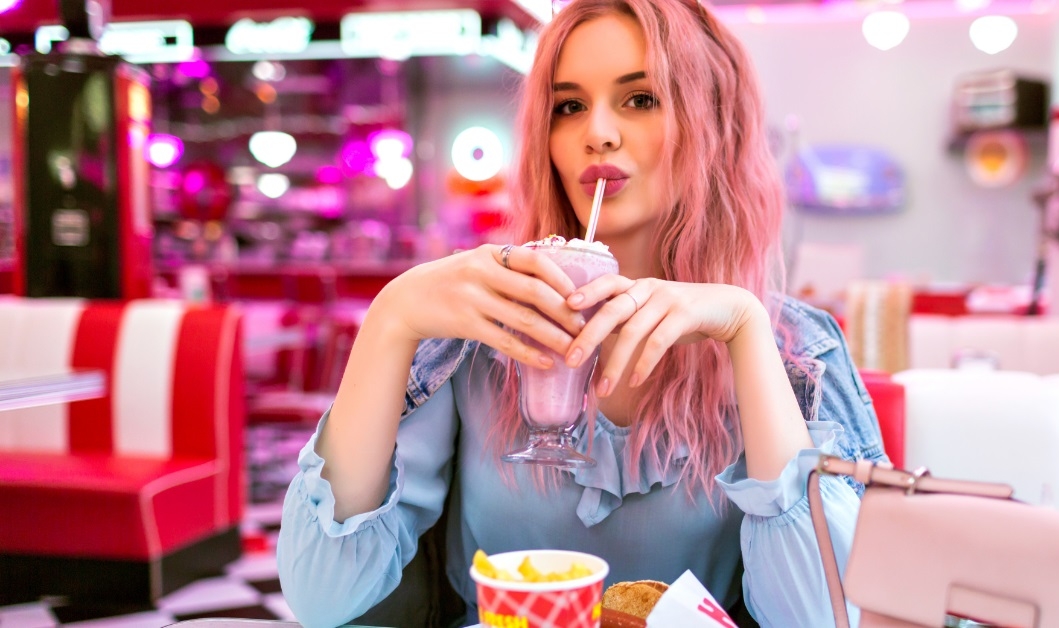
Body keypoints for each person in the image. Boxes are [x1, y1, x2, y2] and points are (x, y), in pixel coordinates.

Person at [277, 0, 887, 626]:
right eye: (568, 106)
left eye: (641, 98)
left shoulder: (796, 347)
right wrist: (391, 319)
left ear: (716, 124)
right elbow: (323, 599)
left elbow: (825, 616)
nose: (597, 132)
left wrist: (745, 329)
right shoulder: (473, 333)